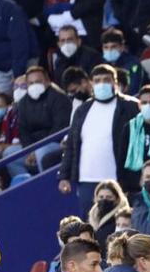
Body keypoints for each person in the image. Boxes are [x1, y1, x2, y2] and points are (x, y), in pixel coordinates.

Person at [57, 64, 141, 209]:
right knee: (90, 226)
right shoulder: (82, 110)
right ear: (91, 83)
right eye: (97, 80)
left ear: (115, 82)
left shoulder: (131, 107)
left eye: (106, 80)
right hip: (87, 180)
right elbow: (72, 144)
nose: (102, 84)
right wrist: (64, 176)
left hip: (120, 180)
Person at [17, 66, 73, 173]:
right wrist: (29, 151)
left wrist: (37, 149)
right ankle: (26, 183)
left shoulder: (59, 98)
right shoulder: (23, 103)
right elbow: (23, 131)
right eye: (31, 83)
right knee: (9, 154)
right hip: (33, 147)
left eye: (38, 82)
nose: (34, 85)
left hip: (55, 142)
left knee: (42, 152)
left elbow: (60, 127)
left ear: (47, 82)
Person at [99, 30, 145, 95]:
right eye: (106, 47)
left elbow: (134, 89)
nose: (109, 50)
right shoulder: (102, 64)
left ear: (122, 46)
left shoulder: (134, 63)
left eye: (113, 47)